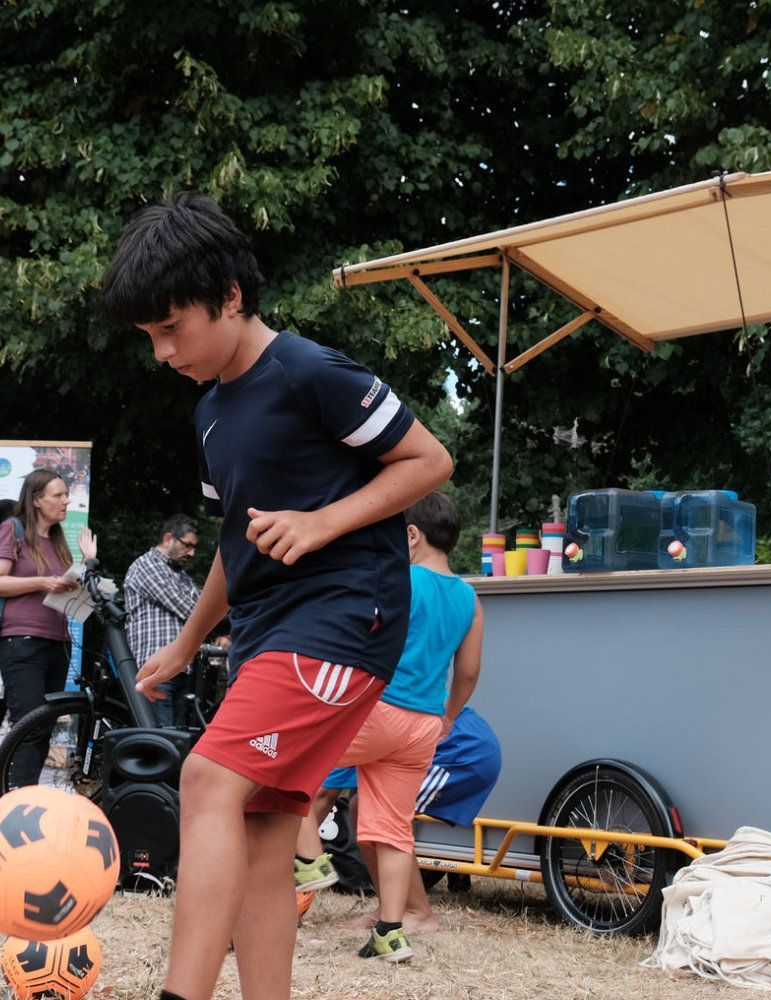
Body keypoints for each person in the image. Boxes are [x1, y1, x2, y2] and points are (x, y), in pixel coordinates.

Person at [101, 191, 452, 1000]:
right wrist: (188, 641)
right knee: (260, 829)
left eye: (170, 328)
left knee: (204, 781)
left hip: (342, 618)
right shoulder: (211, 413)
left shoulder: (309, 371)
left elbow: (428, 461)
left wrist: (324, 521)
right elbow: (234, 540)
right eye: (148, 336)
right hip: (266, 630)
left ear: (229, 296)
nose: (160, 352)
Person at [293, 490, 484, 959]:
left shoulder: (400, 582)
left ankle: (310, 861)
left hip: (374, 710)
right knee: (393, 828)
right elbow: (469, 671)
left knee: (289, 767)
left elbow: (353, 636)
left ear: (412, 535)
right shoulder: (468, 597)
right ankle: (390, 932)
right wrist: (450, 715)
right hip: (422, 724)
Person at [307, 704, 501, 931]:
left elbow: (321, 797)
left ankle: (419, 914)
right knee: (362, 808)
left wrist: (292, 867)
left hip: (463, 751)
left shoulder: (356, 719)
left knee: (383, 815)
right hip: (452, 738)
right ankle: (390, 909)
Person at [0, 469, 97, 785]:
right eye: (59, 495)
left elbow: (65, 591)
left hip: (57, 644)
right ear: (37, 500)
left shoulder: (58, 542)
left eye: (67, 494)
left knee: (43, 727)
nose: (66, 500)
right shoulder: (12, 529)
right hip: (22, 641)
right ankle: (15, 800)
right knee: (28, 725)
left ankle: (24, 797)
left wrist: (86, 561)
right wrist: (42, 581)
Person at [124, 514, 202, 727]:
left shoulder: (182, 577)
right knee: (160, 743)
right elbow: (191, 609)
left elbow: (204, 607)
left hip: (181, 668)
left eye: (194, 547)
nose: (192, 552)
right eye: (188, 545)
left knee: (176, 744)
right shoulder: (146, 565)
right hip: (156, 670)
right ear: (169, 538)